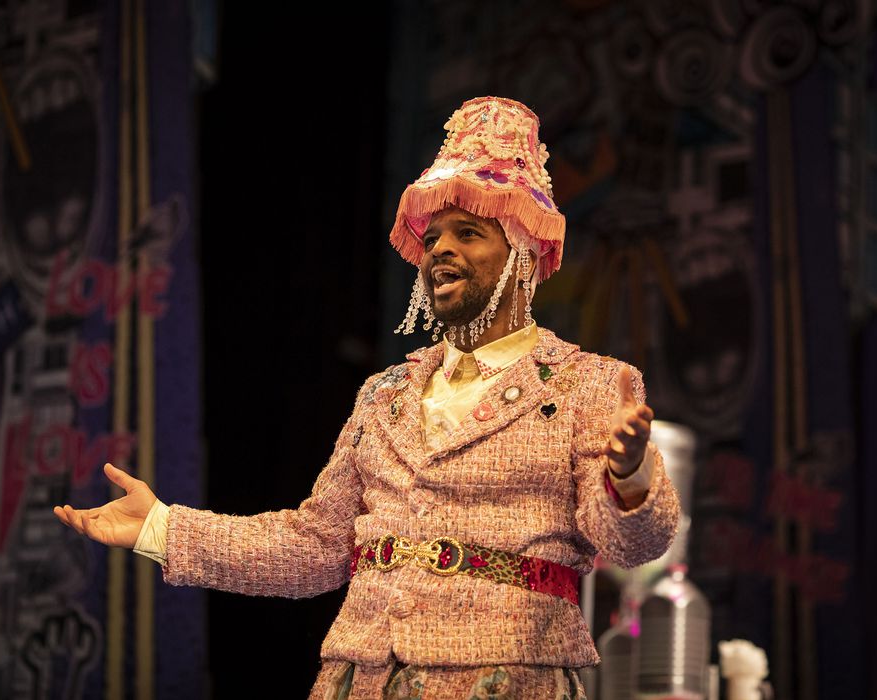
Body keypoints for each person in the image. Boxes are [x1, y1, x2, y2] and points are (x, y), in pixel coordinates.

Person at [54, 96, 681, 699]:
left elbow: (632, 546)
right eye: (433, 237)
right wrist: (162, 527)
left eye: (468, 232)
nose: (441, 250)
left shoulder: (588, 383)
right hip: (360, 677)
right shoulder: (385, 395)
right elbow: (316, 547)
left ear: (522, 255)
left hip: (508, 678)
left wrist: (629, 477)